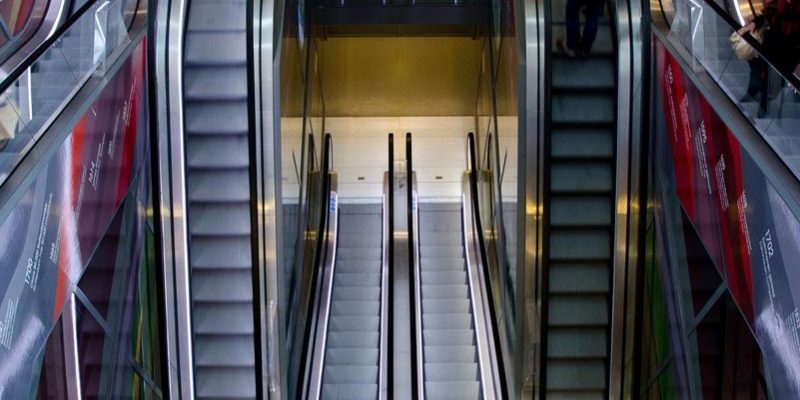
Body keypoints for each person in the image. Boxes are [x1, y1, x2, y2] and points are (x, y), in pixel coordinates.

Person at [738, 0, 800, 116]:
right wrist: (754, 23)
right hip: (771, 45)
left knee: (773, 83)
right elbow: (770, 13)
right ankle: (752, 94)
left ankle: (762, 110)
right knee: (757, 69)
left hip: (788, 54)